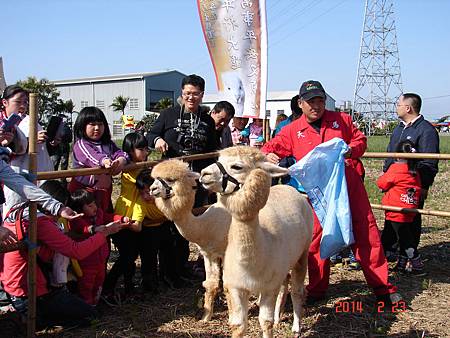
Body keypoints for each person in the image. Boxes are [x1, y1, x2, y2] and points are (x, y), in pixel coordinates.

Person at [262, 80, 400, 306]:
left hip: (349, 186)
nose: (316, 106)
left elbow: (360, 140)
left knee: (367, 234)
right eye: (310, 101)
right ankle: (316, 289)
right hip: (317, 194)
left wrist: (351, 150)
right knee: (316, 240)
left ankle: (383, 288)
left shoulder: (341, 121)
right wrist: (268, 155)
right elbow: (269, 147)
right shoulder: (292, 131)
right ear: (301, 103)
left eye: (320, 100)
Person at [1, 179, 120, 329]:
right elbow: (76, 251)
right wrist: (104, 233)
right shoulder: (41, 222)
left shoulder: (19, 209)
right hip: (31, 290)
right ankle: (36, 320)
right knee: (90, 315)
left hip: (14, 284)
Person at [146, 74, 218, 280]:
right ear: (182, 93)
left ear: (202, 95)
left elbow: (212, 150)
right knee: (171, 227)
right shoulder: (168, 114)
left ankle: (184, 267)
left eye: (195, 94)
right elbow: (150, 135)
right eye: (187, 93)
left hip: (197, 182)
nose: (191, 98)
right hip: (171, 183)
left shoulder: (207, 120)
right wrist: (158, 139)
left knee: (192, 222)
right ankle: (168, 271)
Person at [381, 93, 439, 270]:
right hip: (393, 186)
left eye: (398, 104)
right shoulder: (399, 129)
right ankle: (392, 252)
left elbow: (429, 162)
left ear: (408, 108)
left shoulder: (426, 130)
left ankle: (410, 256)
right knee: (392, 218)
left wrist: (423, 185)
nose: (396, 107)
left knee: (410, 220)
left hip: (411, 187)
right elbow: (391, 154)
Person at [68, 189, 129, 305]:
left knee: (99, 281)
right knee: (86, 284)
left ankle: (96, 301)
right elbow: (83, 229)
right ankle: (87, 305)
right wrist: (94, 229)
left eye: (94, 203)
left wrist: (121, 218)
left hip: (101, 259)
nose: (94, 207)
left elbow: (108, 217)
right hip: (87, 261)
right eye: (90, 206)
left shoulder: (99, 214)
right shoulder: (77, 220)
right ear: (79, 210)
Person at [69, 106, 128, 211]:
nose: (97, 128)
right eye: (92, 124)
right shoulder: (81, 144)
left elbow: (120, 153)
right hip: (84, 192)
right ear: (82, 126)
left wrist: (121, 160)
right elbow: (92, 156)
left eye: (100, 124)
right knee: (87, 219)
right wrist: (104, 161)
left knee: (104, 214)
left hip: (104, 190)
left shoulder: (108, 144)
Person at [377, 140, 422, 274]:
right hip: (409, 207)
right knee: (401, 236)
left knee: (405, 240)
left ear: (397, 155)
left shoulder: (397, 168)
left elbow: (382, 183)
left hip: (396, 209)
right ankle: (401, 264)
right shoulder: (414, 170)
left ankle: (417, 263)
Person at [134, 169, 181, 291]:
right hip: (148, 230)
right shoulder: (141, 204)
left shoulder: (166, 197)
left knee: (169, 251)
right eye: (141, 193)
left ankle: (169, 278)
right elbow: (138, 221)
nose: (145, 196)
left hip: (165, 225)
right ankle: (150, 283)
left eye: (148, 192)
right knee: (149, 257)